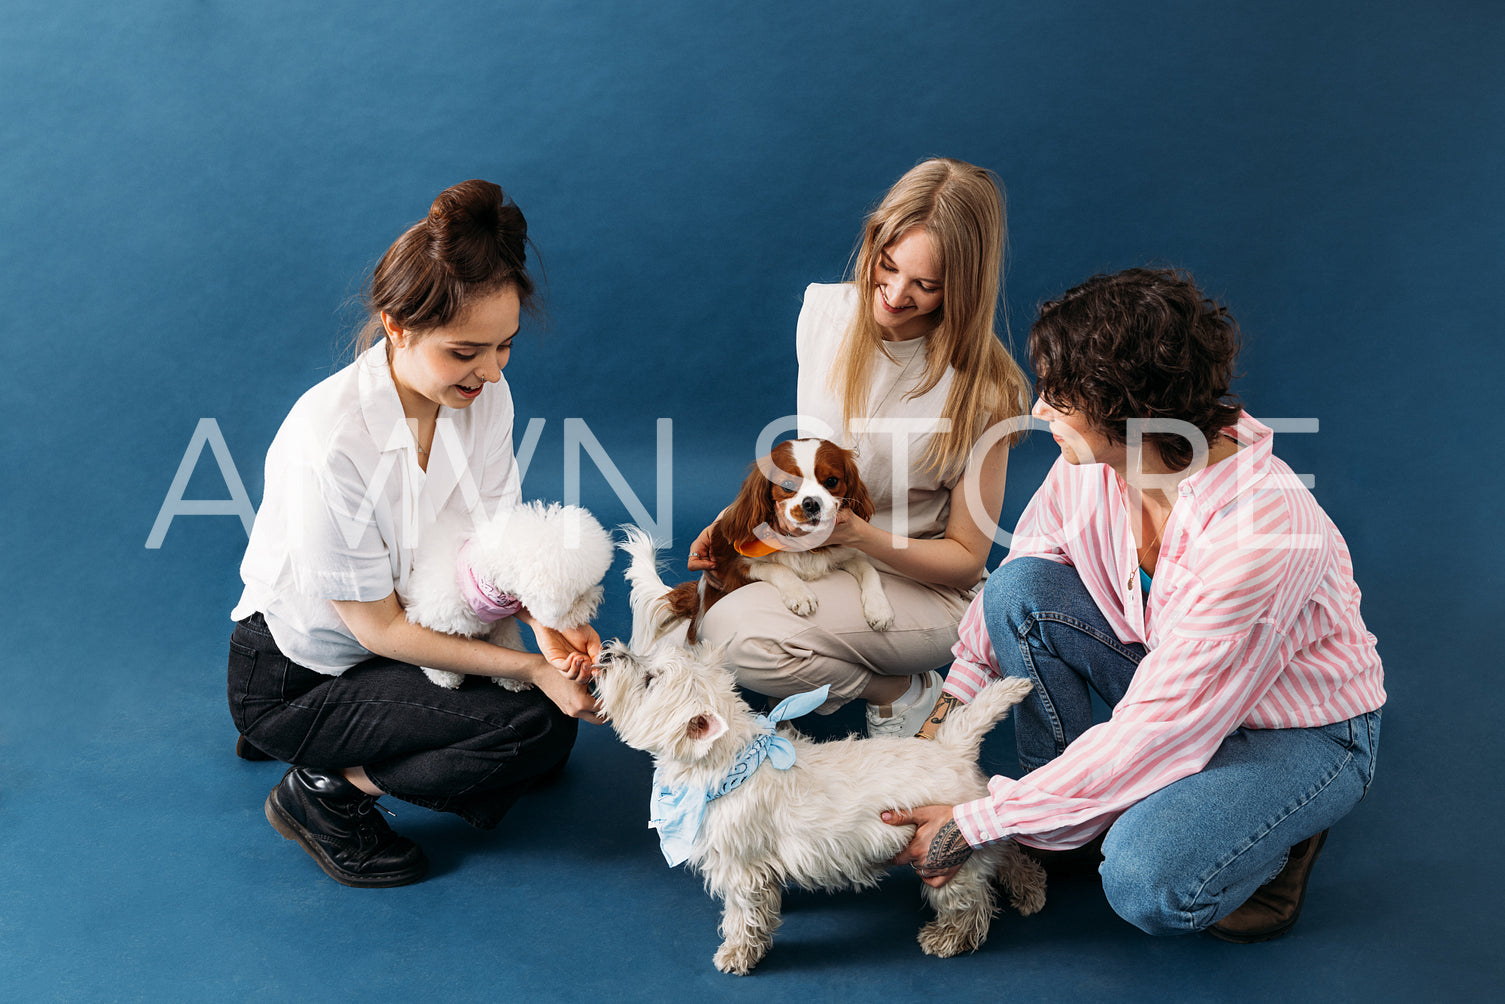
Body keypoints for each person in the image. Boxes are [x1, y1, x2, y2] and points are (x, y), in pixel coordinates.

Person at [885, 266, 1385, 942]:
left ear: (1126, 412)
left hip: (1293, 732)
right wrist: (941, 727)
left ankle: (1276, 841)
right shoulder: (1092, 463)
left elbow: (1163, 726)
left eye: (1058, 398)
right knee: (1019, 589)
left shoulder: (1263, 534)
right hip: (1175, 684)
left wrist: (976, 821)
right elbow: (1016, 578)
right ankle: (1062, 822)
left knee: (1144, 879)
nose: (1038, 412)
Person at [227, 180, 603, 888]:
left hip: (408, 630)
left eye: (505, 348)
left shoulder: (482, 393)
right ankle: (322, 791)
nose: (490, 372)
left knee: (548, 740)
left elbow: (494, 547)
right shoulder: (330, 439)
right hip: (303, 674)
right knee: (534, 727)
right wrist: (530, 671)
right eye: (466, 352)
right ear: (398, 324)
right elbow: (377, 630)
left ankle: (371, 739)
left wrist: (552, 626)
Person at [688, 158, 1032, 738]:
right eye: (888, 267)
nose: (896, 295)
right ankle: (862, 665)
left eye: (926, 285)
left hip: (924, 584)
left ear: (965, 288)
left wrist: (857, 534)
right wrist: (736, 520)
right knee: (700, 621)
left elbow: (967, 559)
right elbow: (809, 462)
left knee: (738, 639)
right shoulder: (824, 313)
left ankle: (902, 689)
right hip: (821, 557)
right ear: (874, 240)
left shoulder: (985, 388)